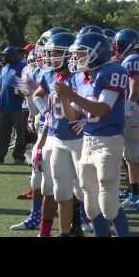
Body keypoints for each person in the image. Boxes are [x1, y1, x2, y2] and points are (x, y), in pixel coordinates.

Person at [55, 32, 130, 237]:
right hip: (87, 141)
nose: (76, 58)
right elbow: (73, 116)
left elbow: (102, 109)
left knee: (109, 203)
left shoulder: (113, 71)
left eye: (81, 53)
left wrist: (71, 95)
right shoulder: (81, 78)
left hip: (108, 141)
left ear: (97, 53)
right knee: (90, 204)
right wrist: (64, 98)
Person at [32, 32, 85, 237]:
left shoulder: (78, 78)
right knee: (50, 188)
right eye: (50, 53)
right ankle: (45, 231)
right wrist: (41, 140)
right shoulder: (48, 75)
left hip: (77, 138)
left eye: (54, 53)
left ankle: (78, 225)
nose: (49, 57)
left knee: (80, 189)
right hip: (54, 136)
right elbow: (38, 96)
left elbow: (78, 114)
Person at [114, 28, 139, 211]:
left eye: (118, 44)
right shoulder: (131, 59)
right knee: (129, 156)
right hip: (132, 108)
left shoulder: (133, 60)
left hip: (131, 109)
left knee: (135, 154)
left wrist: (127, 109)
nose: (116, 48)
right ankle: (135, 192)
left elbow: (134, 88)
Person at [0, 46, 27, 165]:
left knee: (20, 134)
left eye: (6, 55)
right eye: (3, 55)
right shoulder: (4, 68)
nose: (4, 58)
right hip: (4, 107)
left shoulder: (22, 67)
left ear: (13, 56)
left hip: (18, 107)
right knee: (2, 134)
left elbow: (27, 85)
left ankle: (19, 157)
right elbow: (2, 87)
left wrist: (20, 91)